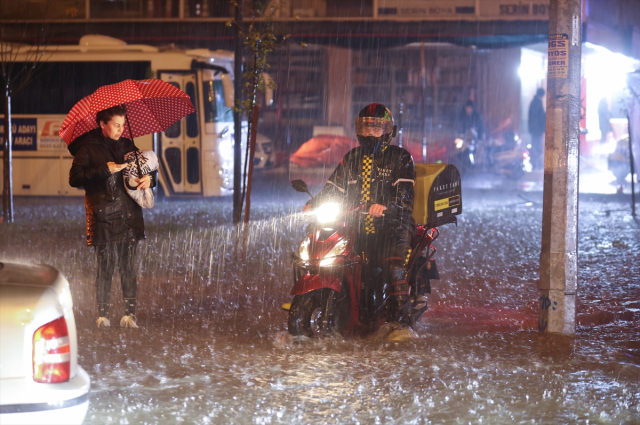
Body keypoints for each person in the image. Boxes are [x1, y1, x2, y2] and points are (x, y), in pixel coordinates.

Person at [303, 104, 416, 324]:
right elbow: (332, 188)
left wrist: (387, 207)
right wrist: (314, 203)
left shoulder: (401, 158)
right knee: (327, 256)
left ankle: (402, 323)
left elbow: (404, 196)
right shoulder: (352, 158)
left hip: (393, 226)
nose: (368, 134)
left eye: (374, 129)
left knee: (393, 268)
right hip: (357, 226)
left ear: (387, 131)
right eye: (364, 129)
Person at [69, 105, 155, 329]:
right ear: (102, 125)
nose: (121, 129)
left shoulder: (127, 144)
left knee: (128, 267)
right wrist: (105, 170)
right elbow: (75, 178)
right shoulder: (87, 148)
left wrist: (149, 179)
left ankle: (129, 315)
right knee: (105, 267)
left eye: (123, 125)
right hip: (103, 216)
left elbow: (144, 167)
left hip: (128, 215)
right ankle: (103, 315)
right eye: (117, 125)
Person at [528, 88, 546, 170]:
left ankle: (535, 163)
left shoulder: (534, 102)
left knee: (535, 145)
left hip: (534, 129)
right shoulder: (537, 103)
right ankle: (535, 163)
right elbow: (540, 117)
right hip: (537, 129)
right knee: (536, 146)